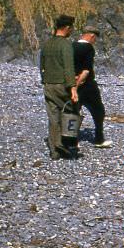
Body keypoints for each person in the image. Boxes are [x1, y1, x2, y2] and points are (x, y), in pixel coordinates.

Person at [40, 15, 78, 160]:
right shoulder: (66, 44)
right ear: (67, 28)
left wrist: (44, 81)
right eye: (71, 28)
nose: (72, 31)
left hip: (48, 84)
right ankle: (66, 146)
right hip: (62, 85)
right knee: (70, 112)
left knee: (53, 117)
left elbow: (42, 66)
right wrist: (73, 89)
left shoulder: (47, 44)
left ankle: (54, 150)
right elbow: (69, 68)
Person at [74, 25, 112, 148]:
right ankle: (99, 139)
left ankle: (71, 140)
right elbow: (86, 70)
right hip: (87, 85)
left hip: (71, 82)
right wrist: (79, 83)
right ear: (91, 35)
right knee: (98, 110)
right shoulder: (88, 48)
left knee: (74, 111)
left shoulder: (71, 46)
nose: (95, 41)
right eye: (95, 38)